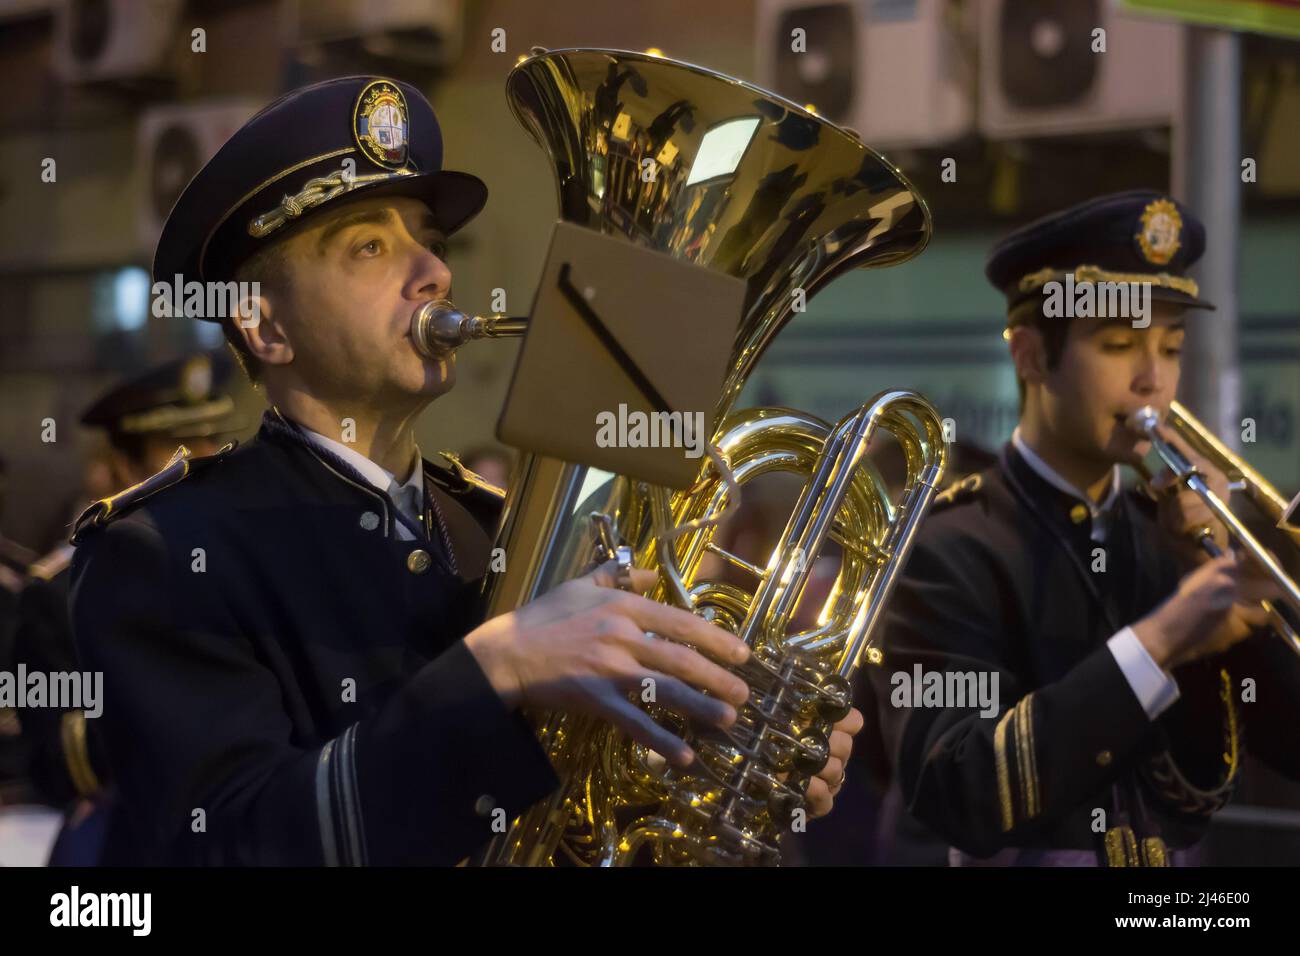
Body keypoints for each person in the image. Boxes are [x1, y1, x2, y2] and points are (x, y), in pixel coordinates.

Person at [69, 75, 862, 866]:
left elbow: (578, 816)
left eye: (432, 243)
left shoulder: (490, 527)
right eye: (370, 248)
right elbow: (236, 844)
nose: (435, 274)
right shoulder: (166, 553)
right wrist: (496, 668)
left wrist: (707, 756)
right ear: (266, 325)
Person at [872, 191, 1300, 866]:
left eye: (1171, 347)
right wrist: (1161, 639)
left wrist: (1217, 569)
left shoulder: (1170, 539)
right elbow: (956, 787)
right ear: (1031, 358)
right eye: (1119, 345)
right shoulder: (948, 547)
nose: (1152, 382)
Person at [13, 350, 239, 864]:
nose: (202, 459)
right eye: (178, 446)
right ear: (122, 464)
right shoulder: (56, 593)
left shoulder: (249, 569)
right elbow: (64, 767)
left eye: (211, 439)